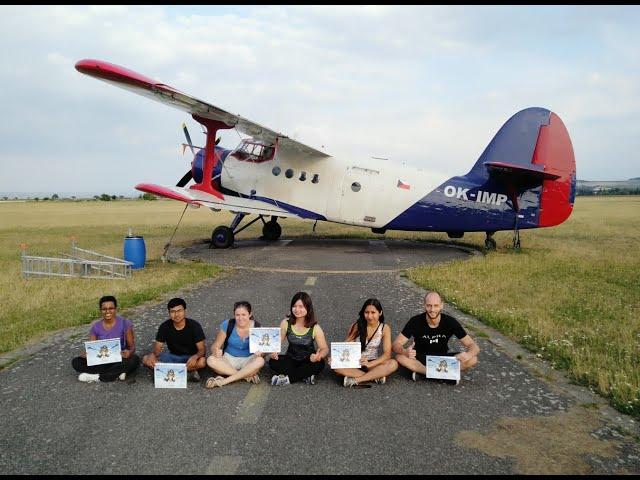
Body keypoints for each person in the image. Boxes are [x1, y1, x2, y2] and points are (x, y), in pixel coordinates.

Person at [393, 291, 479, 384]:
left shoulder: (450, 322)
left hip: (442, 359)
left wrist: (468, 355)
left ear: (441, 305)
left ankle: (423, 374)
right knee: (399, 357)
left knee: (473, 359)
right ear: (424, 305)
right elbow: (396, 345)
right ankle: (445, 376)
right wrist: (404, 351)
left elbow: (472, 345)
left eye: (436, 305)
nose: (432, 309)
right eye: (429, 305)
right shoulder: (415, 321)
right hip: (420, 358)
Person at [71, 295, 140, 383]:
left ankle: (98, 377)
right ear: (101, 310)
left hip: (120, 358)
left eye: (111, 308)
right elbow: (92, 348)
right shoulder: (96, 327)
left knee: (134, 360)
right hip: (102, 360)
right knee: (76, 362)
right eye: (104, 309)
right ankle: (117, 372)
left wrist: (129, 352)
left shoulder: (125, 323)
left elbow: (132, 347)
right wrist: (87, 354)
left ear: (115, 309)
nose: (107, 311)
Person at [333, 298, 398, 387]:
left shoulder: (385, 328)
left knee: (393, 364)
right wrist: (336, 357)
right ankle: (375, 376)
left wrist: (369, 363)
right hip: (355, 361)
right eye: (367, 312)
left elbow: (387, 354)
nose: (369, 316)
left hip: (372, 363)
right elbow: (347, 345)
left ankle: (356, 379)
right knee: (336, 367)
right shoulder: (357, 325)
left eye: (373, 312)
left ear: (380, 313)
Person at [268, 291, 329, 386]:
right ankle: (305, 376)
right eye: (294, 306)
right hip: (291, 359)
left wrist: (318, 356)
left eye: (301, 306)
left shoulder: (315, 327)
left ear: (308, 308)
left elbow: (325, 348)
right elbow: (277, 342)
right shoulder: (285, 323)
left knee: (320, 364)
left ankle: (287, 379)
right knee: (272, 362)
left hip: (309, 360)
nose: (297, 309)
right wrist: (273, 352)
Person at [142, 297, 206, 382]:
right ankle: (186, 374)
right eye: (173, 312)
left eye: (179, 311)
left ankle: (165, 372)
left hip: (190, 358)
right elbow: (157, 350)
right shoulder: (164, 326)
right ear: (169, 313)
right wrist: (153, 355)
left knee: (202, 362)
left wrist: (195, 356)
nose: (176, 315)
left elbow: (202, 349)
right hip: (173, 356)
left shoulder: (194, 326)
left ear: (184, 311)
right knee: (146, 359)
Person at [205, 301, 266, 388]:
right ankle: (245, 376)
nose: (240, 318)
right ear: (234, 315)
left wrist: (261, 353)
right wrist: (215, 351)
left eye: (243, 314)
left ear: (250, 314)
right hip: (229, 359)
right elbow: (215, 345)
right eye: (237, 315)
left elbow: (262, 352)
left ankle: (224, 381)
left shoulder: (258, 327)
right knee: (210, 360)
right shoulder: (228, 324)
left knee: (260, 361)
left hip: (249, 359)